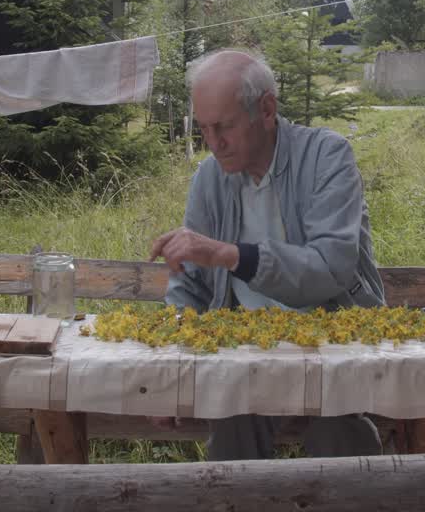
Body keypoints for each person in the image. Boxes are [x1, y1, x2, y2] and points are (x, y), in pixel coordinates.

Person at [149, 49, 385, 461]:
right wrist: (173, 368)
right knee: (232, 427)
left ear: (267, 109)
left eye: (224, 127)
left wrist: (230, 255)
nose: (214, 144)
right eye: (204, 129)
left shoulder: (327, 156)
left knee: (339, 437)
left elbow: (331, 268)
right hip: (249, 354)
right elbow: (188, 286)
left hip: (336, 344)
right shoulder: (209, 178)